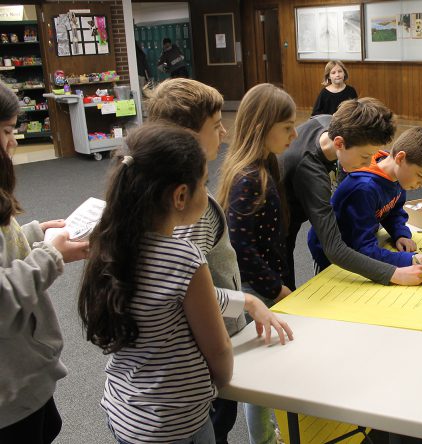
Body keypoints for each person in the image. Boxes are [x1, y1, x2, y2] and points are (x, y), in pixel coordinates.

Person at [146, 78, 293, 444]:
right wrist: (248, 301)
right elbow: (184, 285)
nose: (225, 133)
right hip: (203, 355)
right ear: (186, 137)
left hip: (182, 364)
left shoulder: (155, 195)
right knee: (218, 420)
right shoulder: (190, 209)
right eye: (215, 126)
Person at [79, 125, 232, 443]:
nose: (207, 191)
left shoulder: (106, 242)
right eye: (204, 183)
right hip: (177, 423)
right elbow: (218, 350)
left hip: (124, 411)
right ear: (180, 196)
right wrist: (221, 382)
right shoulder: (185, 259)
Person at [0, 83, 89, 443]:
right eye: (7, 131)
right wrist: (50, 255)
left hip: (26, 375)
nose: (13, 142)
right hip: (9, 390)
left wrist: (35, 234)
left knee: (48, 426)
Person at [281, 97, 422, 289]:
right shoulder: (310, 173)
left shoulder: (332, 124)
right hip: (275, 225)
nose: (368, 162)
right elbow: (334, 248)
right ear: (339, 143)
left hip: (298, 205)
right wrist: (396, 274)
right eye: (364, 156)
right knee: (281, 291)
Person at [217, 83, 296, 444]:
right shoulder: (248, 177)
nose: (295, 134)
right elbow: (242, 248)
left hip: (265, 283)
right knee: (258, 376)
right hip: (253, 289)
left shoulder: (266, 166)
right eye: (287, 127)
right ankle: (263, 440)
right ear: (263, 127)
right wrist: (275, 288)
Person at [308, 127, 422, 270]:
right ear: (400, 158)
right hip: (330, 256)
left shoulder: (396, 177)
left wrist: (400, 234)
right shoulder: (363, 189)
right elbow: (364, 248)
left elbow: (393, 211)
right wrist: (408, 259)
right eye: (420, 176)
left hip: (358, 243)